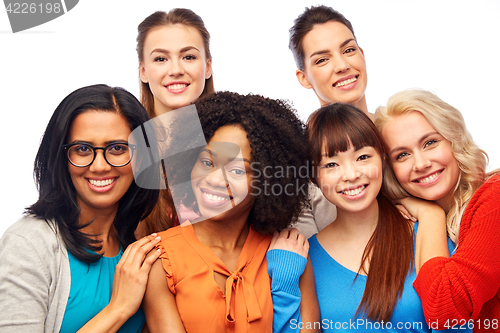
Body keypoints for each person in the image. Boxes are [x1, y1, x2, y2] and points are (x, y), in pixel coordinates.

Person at [142, 92, 319, 332]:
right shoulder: (160, 260)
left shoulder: (289, 253)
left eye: (237, 171)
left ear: (266, 180)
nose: (215, 180)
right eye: (207, 162)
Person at [0, 84, 160, 332]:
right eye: (82, 149)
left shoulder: (136, 243)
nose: (99, 166)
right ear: (61, 157)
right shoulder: (29, 242)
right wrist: (118, 309)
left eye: (117, 148)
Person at [306, 102, 470, 332]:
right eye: (331, 164)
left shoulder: (428, 232)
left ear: (382, 160)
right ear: (314, 176)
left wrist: (430, 215)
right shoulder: (306, 257)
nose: (351, 175)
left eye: (362, 157)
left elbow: (455, 324)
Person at [375, 89, 500, 332]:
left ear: (454, 140)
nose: (421, 164)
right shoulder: (412, 227)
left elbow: (445, 308)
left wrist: (430, 215)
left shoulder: (494, 197)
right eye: (402, 155)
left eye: (430, 143)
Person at [288, 5, 370, 238]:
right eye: (322, 60)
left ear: (362, 55)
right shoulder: (298, 157)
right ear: (304, 77)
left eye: (349, 50)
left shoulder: (399, 129)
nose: (342, 65)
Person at [136, 8, 214, 236]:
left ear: (207, 66)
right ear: (143, 71)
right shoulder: (126, 146)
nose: (176, 70)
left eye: (188, 57)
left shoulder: (235, 138)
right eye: (161, 59)